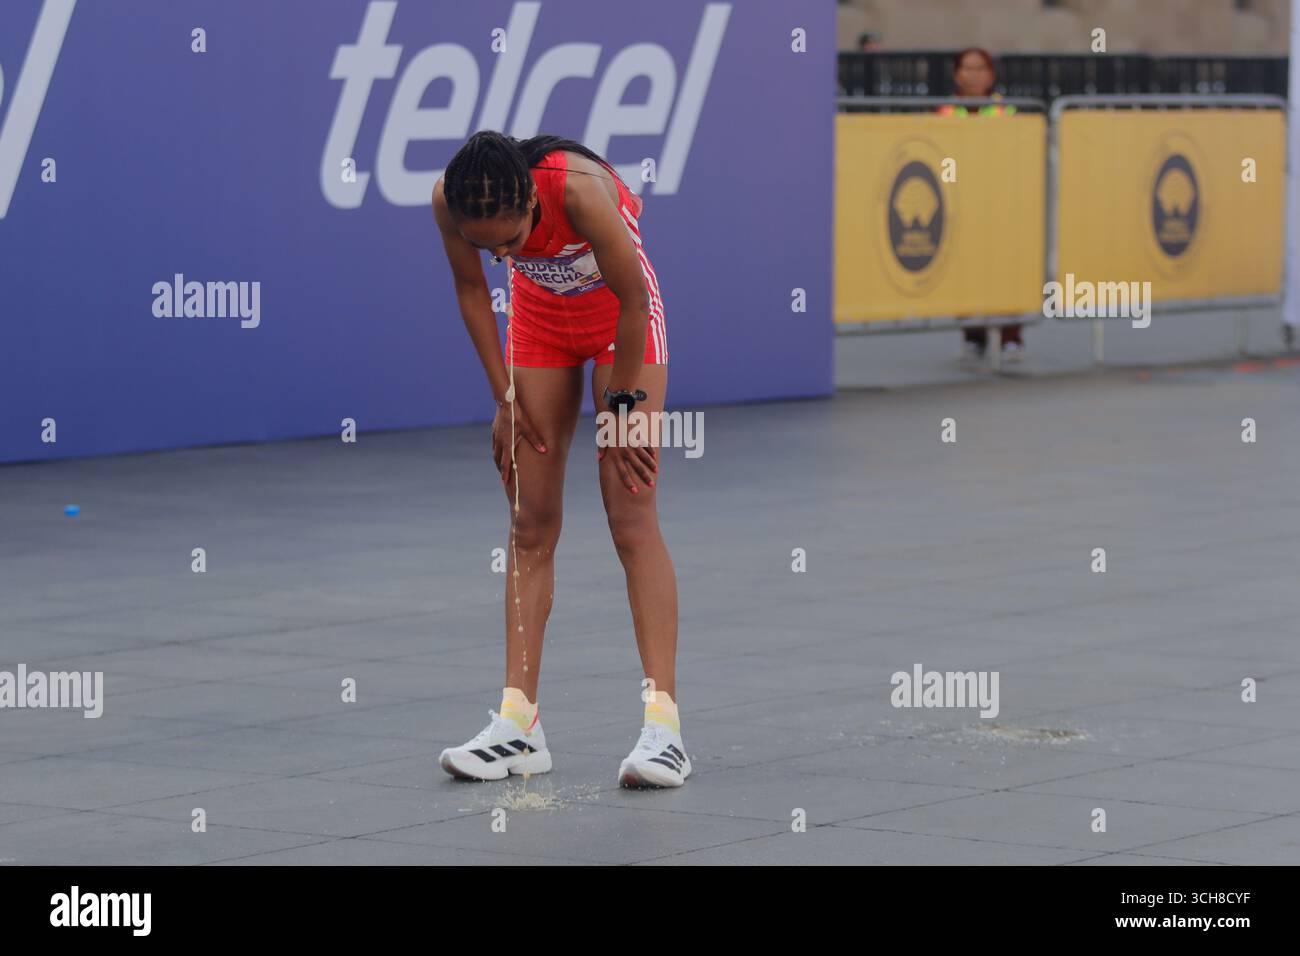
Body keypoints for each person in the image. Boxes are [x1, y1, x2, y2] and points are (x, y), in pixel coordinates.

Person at [430, 132, 689, 788]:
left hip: (619, 323)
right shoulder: (448, 199)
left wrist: (625, 406)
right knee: (529, 521)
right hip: (542, 323)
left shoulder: (579, 190)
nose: (498, 255)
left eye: (511, 242)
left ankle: (664, 730)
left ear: (530, 203)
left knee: (629, 512)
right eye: (486, 246)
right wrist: (505, 396)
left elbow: (634, 300)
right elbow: (470, 293)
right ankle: (519, 726)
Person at [945, 47, 1024, 363]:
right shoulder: (946, 113)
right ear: (957, 74)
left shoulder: (1007, 112)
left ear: (990, 75)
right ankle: (973, 335)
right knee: (968, 271)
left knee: (1006, 270)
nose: (973, 75)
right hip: (961, 203)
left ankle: (1011, 336)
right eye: (967, 68)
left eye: (980, 69)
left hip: (1001, 203)